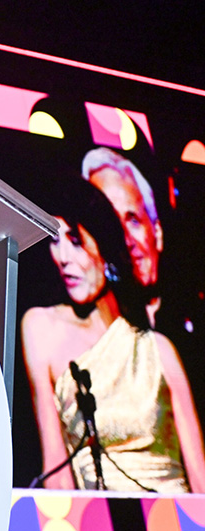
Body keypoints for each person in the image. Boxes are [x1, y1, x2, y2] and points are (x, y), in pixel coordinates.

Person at [21, 178, 205, 493]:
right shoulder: (41, 328)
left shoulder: (158, 350)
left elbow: (200, 477)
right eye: (54, 240)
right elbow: (55, 469)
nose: (63, 256)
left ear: (104, 248)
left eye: (76, 241)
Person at [81, 147, 205, 415]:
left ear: (157, 231)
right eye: (112, 224)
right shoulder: (92, 340)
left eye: (133, 220)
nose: (127, 240)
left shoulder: (195, 323)